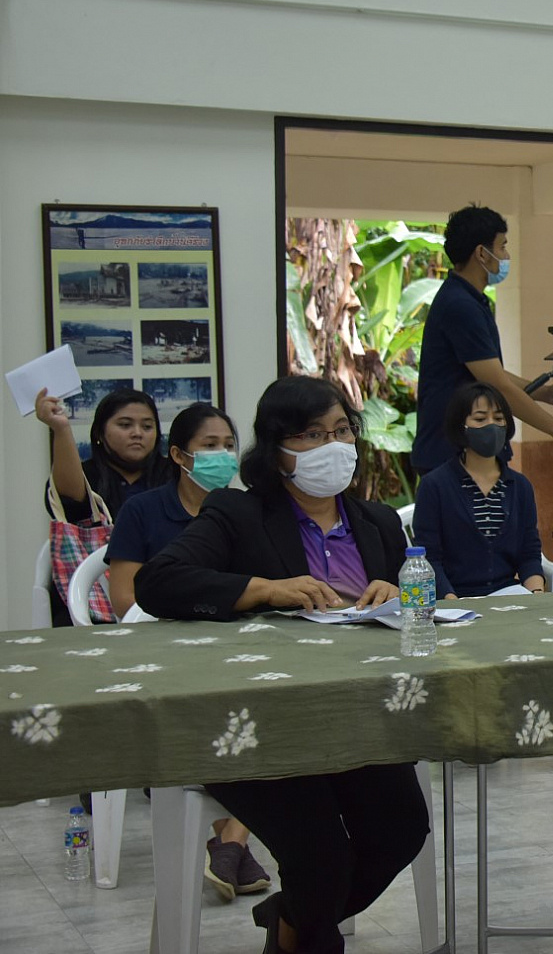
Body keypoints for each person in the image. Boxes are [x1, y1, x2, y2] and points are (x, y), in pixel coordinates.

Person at [137, 376, 428, 953]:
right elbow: (157, 582)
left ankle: (289, 923)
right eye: (312, 435)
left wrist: (400, 594)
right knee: (321, 855)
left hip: (356, 714)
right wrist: (264, 589)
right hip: (260, 720)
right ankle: (304, 936)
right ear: (276, 450)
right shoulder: (237, 514)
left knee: (401, 831)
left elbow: (426, 603)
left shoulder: (378, 522)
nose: (332, 445)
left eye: (341, 431)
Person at [103, 402, 269, 901]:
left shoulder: (247, 509)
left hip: (234, 645)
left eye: (228, 446)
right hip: (162, 644)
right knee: (211, 708)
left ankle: (230, 841)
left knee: (268, 704)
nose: (222, 455)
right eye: (209, 446)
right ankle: (232, 838)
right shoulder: (144, 511)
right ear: (178, 455)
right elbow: (125, 598)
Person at [411, 204, 553, 474]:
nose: (506, 256)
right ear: (482, 253)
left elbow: (492, 374)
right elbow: (497, 384)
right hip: (454, 455)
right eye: (502, 247)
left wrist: (545, 393)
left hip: (467, 453)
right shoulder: (460, 306)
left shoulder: (467, 299)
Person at [34, 386, 174, 626]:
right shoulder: (87, 475)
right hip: (93, 604)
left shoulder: (174, 475)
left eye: (147, 426)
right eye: (125, 425)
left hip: (165, 597)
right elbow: (71, 504)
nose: (137, 433)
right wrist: (61, 428)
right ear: (100, 432)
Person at [412, 381, 545, 600]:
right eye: (480, 419)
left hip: (508, 597)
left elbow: (529, 553)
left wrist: (536, 594)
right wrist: (451, 602)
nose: (492, 425)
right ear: (460, 426)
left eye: (499, 418)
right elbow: (429, 558)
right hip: (454, 600)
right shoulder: (434, 486)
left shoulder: (520, 486)